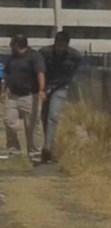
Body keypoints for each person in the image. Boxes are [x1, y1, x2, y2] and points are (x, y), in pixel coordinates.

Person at [1, 33, 46, 161]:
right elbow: (6, 75)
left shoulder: (34, 56)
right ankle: (14, 152)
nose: (10, 47)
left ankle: (34, 154)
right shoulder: (12, 59)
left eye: (11, 44)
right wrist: (3, 91)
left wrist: (41, 90)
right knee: (9, 122)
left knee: (31, 126)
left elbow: (40, 73)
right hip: (13, 96)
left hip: (30, 96)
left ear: (17, 44)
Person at [38, 31, 82, 163]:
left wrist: (64, 83)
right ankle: (48, 141)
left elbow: (73, 70)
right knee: (44, 117)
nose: (61, 49)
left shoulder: (75, 56)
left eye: (63, 47)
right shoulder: (44, 53)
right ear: (54, 44)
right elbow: (38, 70)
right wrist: (41, 89)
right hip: (45, 88)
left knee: (53, 117)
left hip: (61, 88)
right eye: (58, 46)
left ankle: (47, 149)